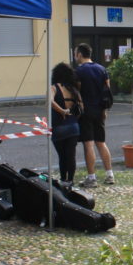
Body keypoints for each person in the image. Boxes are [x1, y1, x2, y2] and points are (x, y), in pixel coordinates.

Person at [73, 43, 114, 188]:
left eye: (75, 53)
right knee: (101, 142)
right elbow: (107, 89)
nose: (75, 56)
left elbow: (77, 92)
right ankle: (110, 174)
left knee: (88, 144)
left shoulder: (78, 71)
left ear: (79, 54)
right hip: (100, 110)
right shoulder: (102, 69)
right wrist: (105, 109)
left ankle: (92, 178)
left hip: (86, 111)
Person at [50, 63, 83, 185]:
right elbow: (81, 108)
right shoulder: (74, 90)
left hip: (59, 126)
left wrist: (62, 111)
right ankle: (71, 181)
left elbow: (50, 101)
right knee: (71, 156)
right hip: (73, 127)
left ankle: (63, 179)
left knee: (62, 156)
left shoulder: (54, 88)